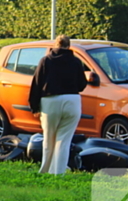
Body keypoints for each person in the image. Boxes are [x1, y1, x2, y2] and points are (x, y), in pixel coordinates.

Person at [28, 35, 88, 175]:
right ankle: (59, 172)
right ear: (69, 46)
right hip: (72, 101)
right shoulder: (76, 62)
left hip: (50, 101)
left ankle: (45, 170)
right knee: (64, 140)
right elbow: (82, 85)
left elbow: (36, 84)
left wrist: (34, 106)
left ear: (55, 45)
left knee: (49, 139)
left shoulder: (45, 61)